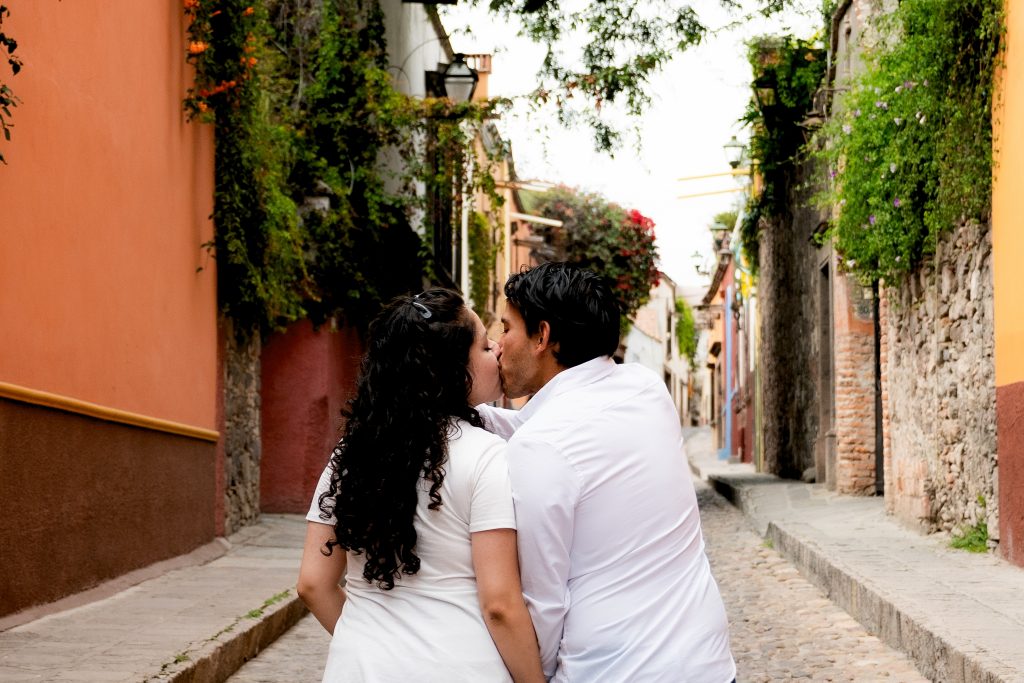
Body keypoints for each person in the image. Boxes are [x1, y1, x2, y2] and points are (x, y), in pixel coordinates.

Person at [479, 262, 737, 683]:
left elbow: (543, 602)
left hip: (615, 670)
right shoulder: (647, 388)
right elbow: (556, 431)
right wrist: (478, 419)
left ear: (542, 336)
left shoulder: (540, 447)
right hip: (705, 661)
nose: (499, 344)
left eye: (507, 328)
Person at [297, 289, 545, 683]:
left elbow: (313, 583)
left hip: (359, 668)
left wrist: (373, 642)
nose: (497, 349)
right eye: (483, 346)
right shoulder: (486, 455)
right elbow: (499, 605)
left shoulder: (351, 454)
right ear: (449, 370)